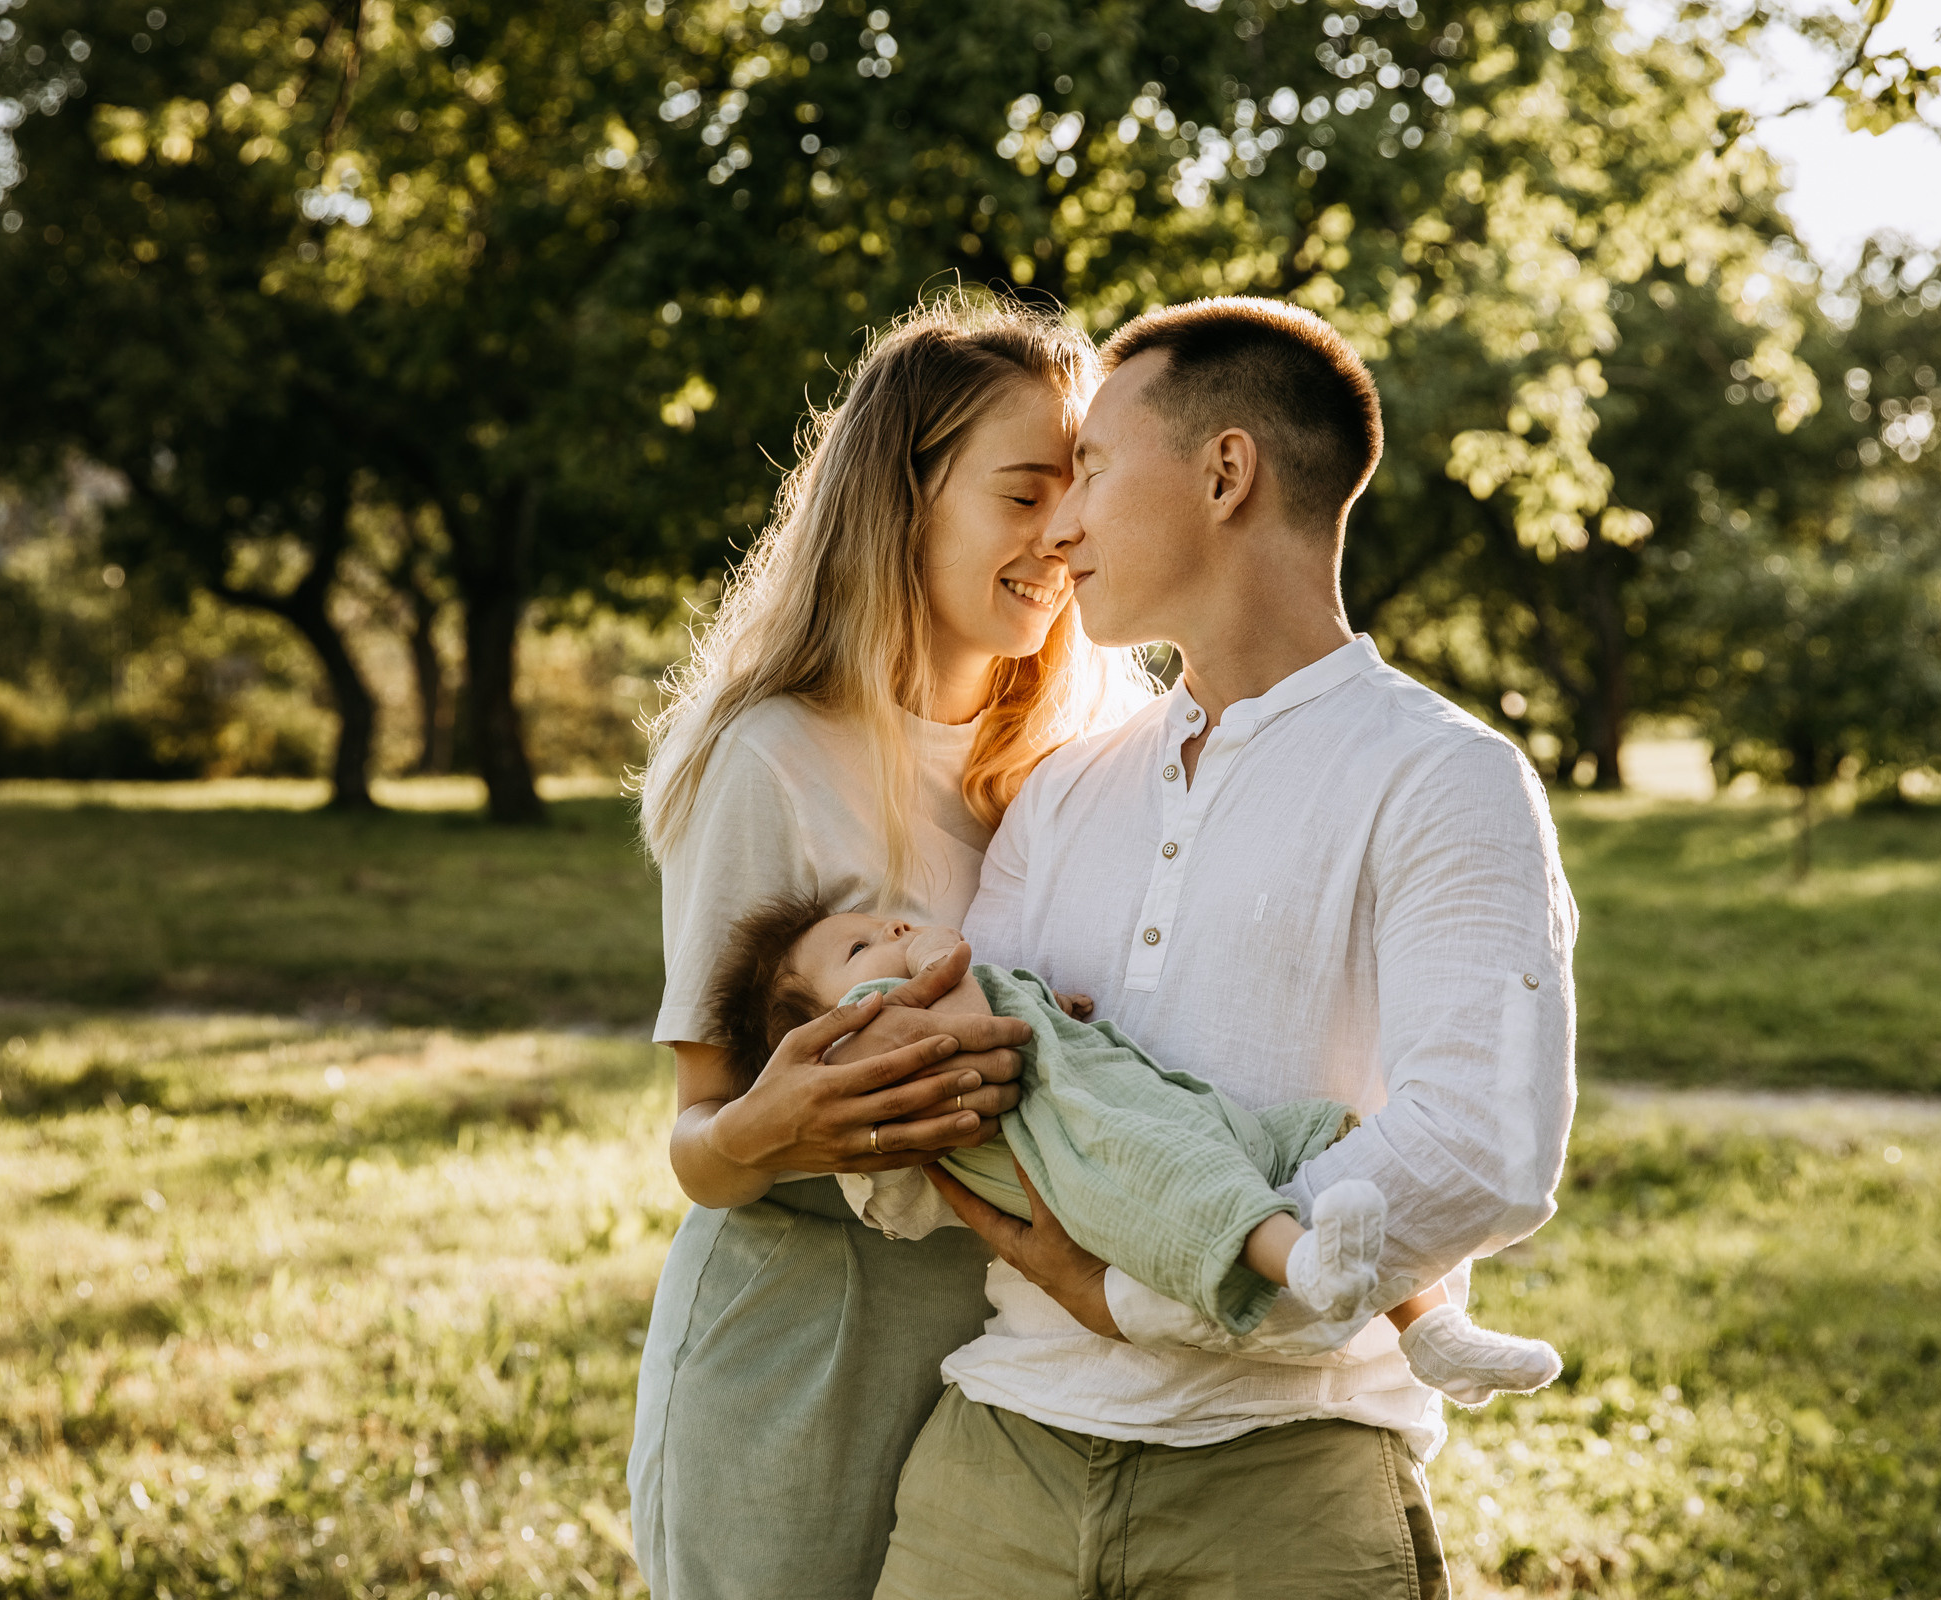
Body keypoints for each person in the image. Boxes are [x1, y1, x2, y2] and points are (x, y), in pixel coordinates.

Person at [871, 297, 1581, 1600]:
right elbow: (970, 1094)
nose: (1062, 523)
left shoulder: (1446, 782)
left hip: (1285, 1485)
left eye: (1090, 468)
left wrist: (1133, 1299)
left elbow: (1478, 1148)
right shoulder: (1063, 788)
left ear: (1225, 471)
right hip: (997, 1467)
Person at [628, 294, 1152, 1600]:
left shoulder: (1079, 763)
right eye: (1024, 492)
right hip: (812, 1348)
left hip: (1024, 1359)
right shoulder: (773, 760)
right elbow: (700, 1140)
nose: (1064, 535)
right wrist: (781, 1122)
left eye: (1081, 492)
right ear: (903, 501)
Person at [707, 897, 1566, 1402]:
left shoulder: (910, 998)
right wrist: (930, 949)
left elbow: (1012, 1019)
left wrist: (1053, 1007)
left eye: (881, 922)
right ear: (820, 1040)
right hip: (1095, 1159)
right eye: (860, 946)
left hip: (1148, 1110)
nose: (890, 931)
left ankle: (1432, 1327)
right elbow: (965, 1025)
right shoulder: (875, 1037)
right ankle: (1307, 1267)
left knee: (1318, 1129)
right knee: (1194, 1193)